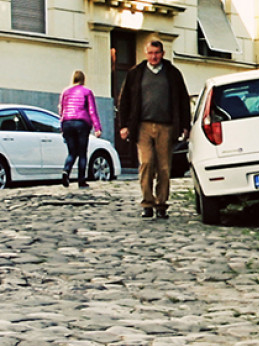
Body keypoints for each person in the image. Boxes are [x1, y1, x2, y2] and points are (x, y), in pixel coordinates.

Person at [117, 40, 189, 219]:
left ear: (162, 53)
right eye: (150, 53)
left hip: (166, 126)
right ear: (145, 53)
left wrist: (185, 126)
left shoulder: (172, 74)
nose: (153, 56)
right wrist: (124, 125)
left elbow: (182, 100)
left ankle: (161, 204)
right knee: (147, 163)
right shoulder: (136, 73)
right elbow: (124, 99)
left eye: (156, 53)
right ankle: (147, 202)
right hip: (142, 126)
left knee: (164, 167)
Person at [58, 70, 103, 188]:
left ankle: (66, 171)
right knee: (82, 153)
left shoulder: (65, 92)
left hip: (67, 123)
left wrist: (62, 125)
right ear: (83, 79)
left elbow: (61, 109)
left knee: (72, 152)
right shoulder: (87, 92)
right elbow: (92, 110)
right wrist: (97, 127)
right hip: (81, 123)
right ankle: (81, 180)